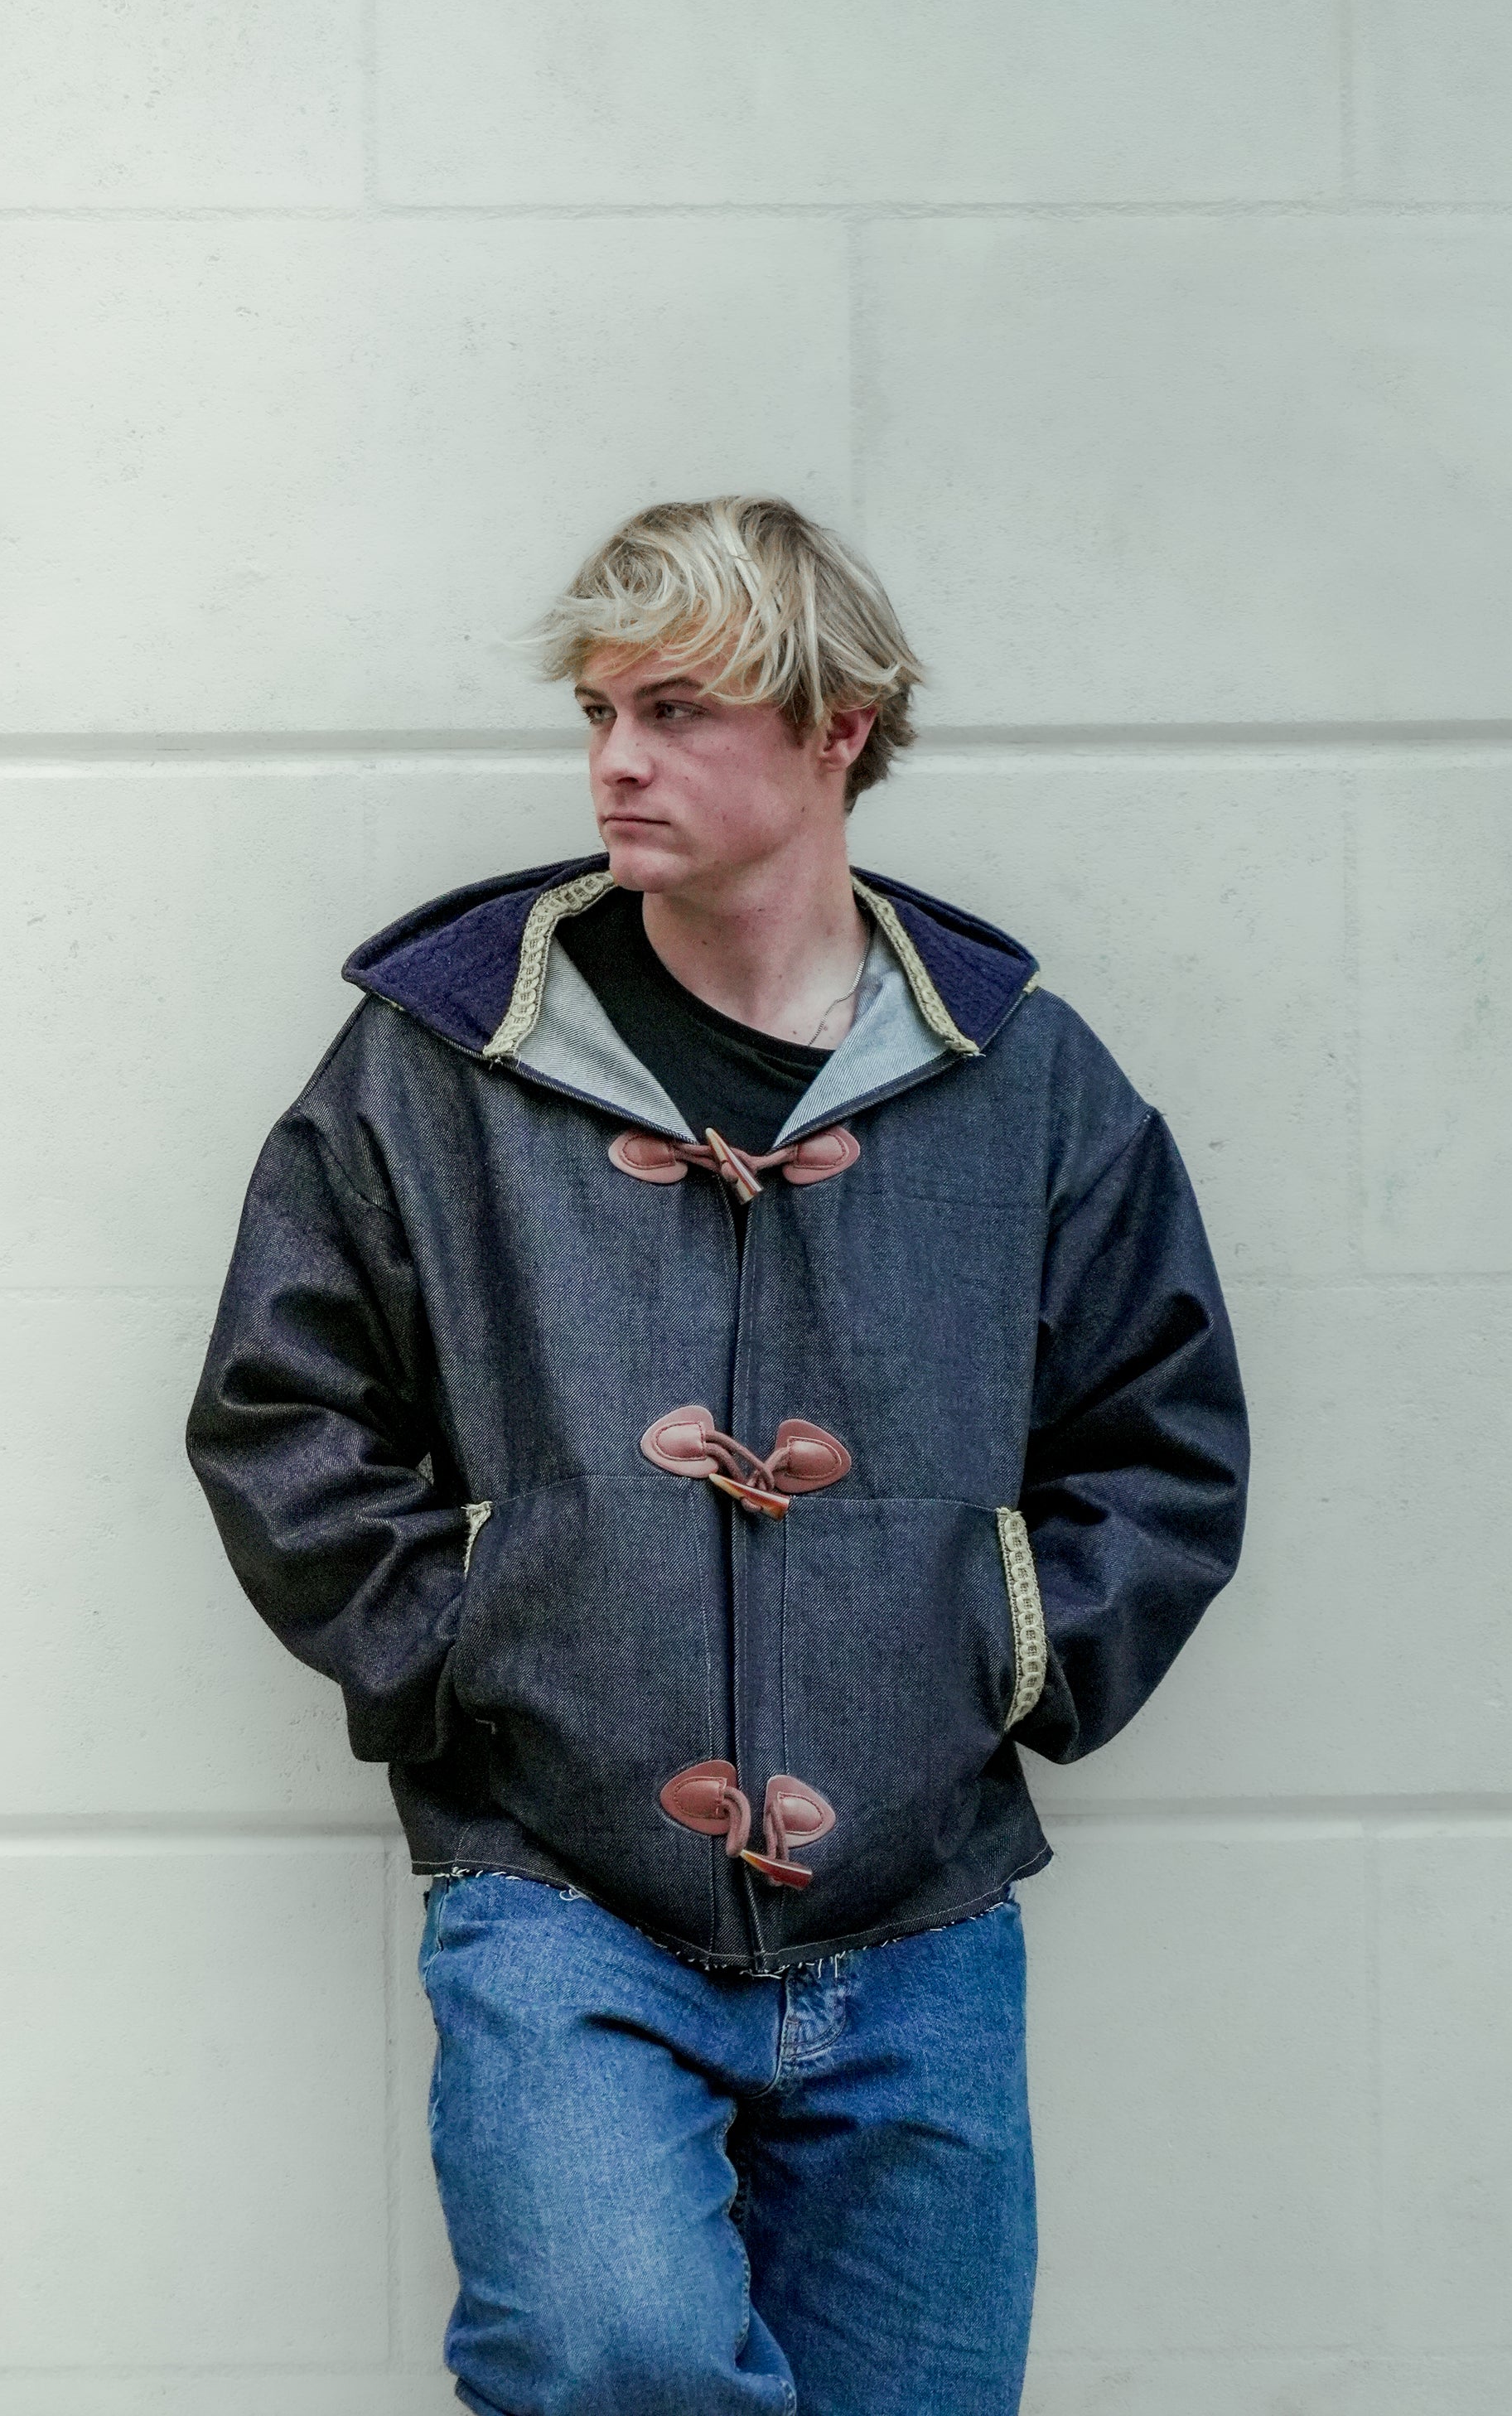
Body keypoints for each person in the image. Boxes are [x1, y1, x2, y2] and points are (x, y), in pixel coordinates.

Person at [186, 495, 1249, 2415]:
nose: (615, 760)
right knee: (616, 2353)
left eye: (675, 710)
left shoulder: (1019, 1078)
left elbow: (1161, 1435)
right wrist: (482, 1640)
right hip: (558, 1891)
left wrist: (999, 1651)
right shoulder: (442, 1063)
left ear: (838, 725)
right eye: (598, 710)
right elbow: (285, 1406)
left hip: (921, 1914)